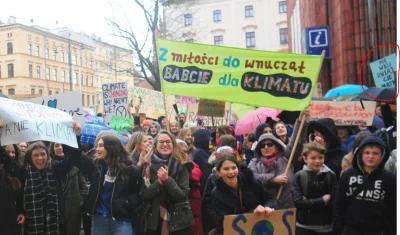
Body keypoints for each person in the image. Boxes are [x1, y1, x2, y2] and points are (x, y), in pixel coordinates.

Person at [0, 122, 81, 235]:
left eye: (43, 154)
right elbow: (6, 159)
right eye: (36, 155)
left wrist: (76, 136)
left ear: (47, 155)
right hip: (32, 225)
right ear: (29, 157)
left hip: (55, 223)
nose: (40, 158)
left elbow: (74, 158)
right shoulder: (23, 172)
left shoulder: (55, 168)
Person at [66, 133, 142, 235]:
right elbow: (74, 156)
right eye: (97, 145)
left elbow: (137, 193)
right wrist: (76, 135)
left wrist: (127, 204)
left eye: (101, 145)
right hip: (99, 221)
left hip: (121, 221)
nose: (97, 149)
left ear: (111, 147)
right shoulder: (95, 167)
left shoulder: (130, 169)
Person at [334, 136, 396, 235]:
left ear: (382, 155)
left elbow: (393, 209)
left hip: (377, 230)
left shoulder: (389, 179)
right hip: (351, 229)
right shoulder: (348, 175)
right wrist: (339, 229)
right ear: (360, 154)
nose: (370, 156)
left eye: (375, 153)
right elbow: (339, 203)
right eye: (367, 153)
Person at [249, 111, 308, 209]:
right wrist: (273, 180)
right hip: (265, 211)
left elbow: (296, 142)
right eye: (263, 146)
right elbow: (252, 178)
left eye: (270, 144)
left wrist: (300, 120)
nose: (266, 147)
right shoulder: (254, 163)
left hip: (288, 209)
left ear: (276, 146)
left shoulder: (286, 158)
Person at [204, 154, 275, 235]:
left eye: (233, 168)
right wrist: (252, 213)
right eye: (226, 169)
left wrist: (267, 207)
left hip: (257, 230)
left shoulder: (251, 182)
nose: (231, 172)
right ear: (218, 173)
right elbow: (224, 222)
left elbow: (269, 199)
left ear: (238, 169)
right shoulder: (216, 195)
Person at [139, 131, 194, 235]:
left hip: (177, 222)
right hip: (153, 222)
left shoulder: (182, 166)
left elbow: (182, 196)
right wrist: (158, 183)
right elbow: (144, 194)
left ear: (173, 145)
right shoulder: (147, 167)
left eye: (168, 141)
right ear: (155, 145)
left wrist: (167, 180)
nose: (165, 144)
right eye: (161, 142)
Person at [291, 142, 337, 235]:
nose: (317, 161)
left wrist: (308, 201)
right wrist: (323, 199)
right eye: (313, 158)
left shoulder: (330, 175)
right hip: (304, 226)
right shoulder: (299, 176)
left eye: (320, 157)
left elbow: (334, 199)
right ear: (305, 159)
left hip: (326, 226)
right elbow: (298, 203)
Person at [49, 142, 89, 235]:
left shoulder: (75, 166)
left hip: (73, 213)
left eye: (62, 145)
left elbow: (84, 187)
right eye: (56, 146)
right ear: (52, 149)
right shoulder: (48, 166)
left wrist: (78, 202)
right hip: (55, 212)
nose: (60, 148)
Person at [176, 139, 203, 235]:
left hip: (193, 212)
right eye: (179, 151)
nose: (183, 154)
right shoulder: (170, 166)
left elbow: (195, 177)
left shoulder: (193, 166)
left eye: (185, 151)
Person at [0, 146, 25, 235]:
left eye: (13, 152)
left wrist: (21, 212)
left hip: (13, 223)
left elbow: (20, 197)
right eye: (7, 152)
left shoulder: (18, 171)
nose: (11, 155)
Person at [192, 129, 213, 197]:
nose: (211, 141)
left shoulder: (204, 150)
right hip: (203, 185)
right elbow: (207, 170)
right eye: (209, 139)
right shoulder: (199, 153)